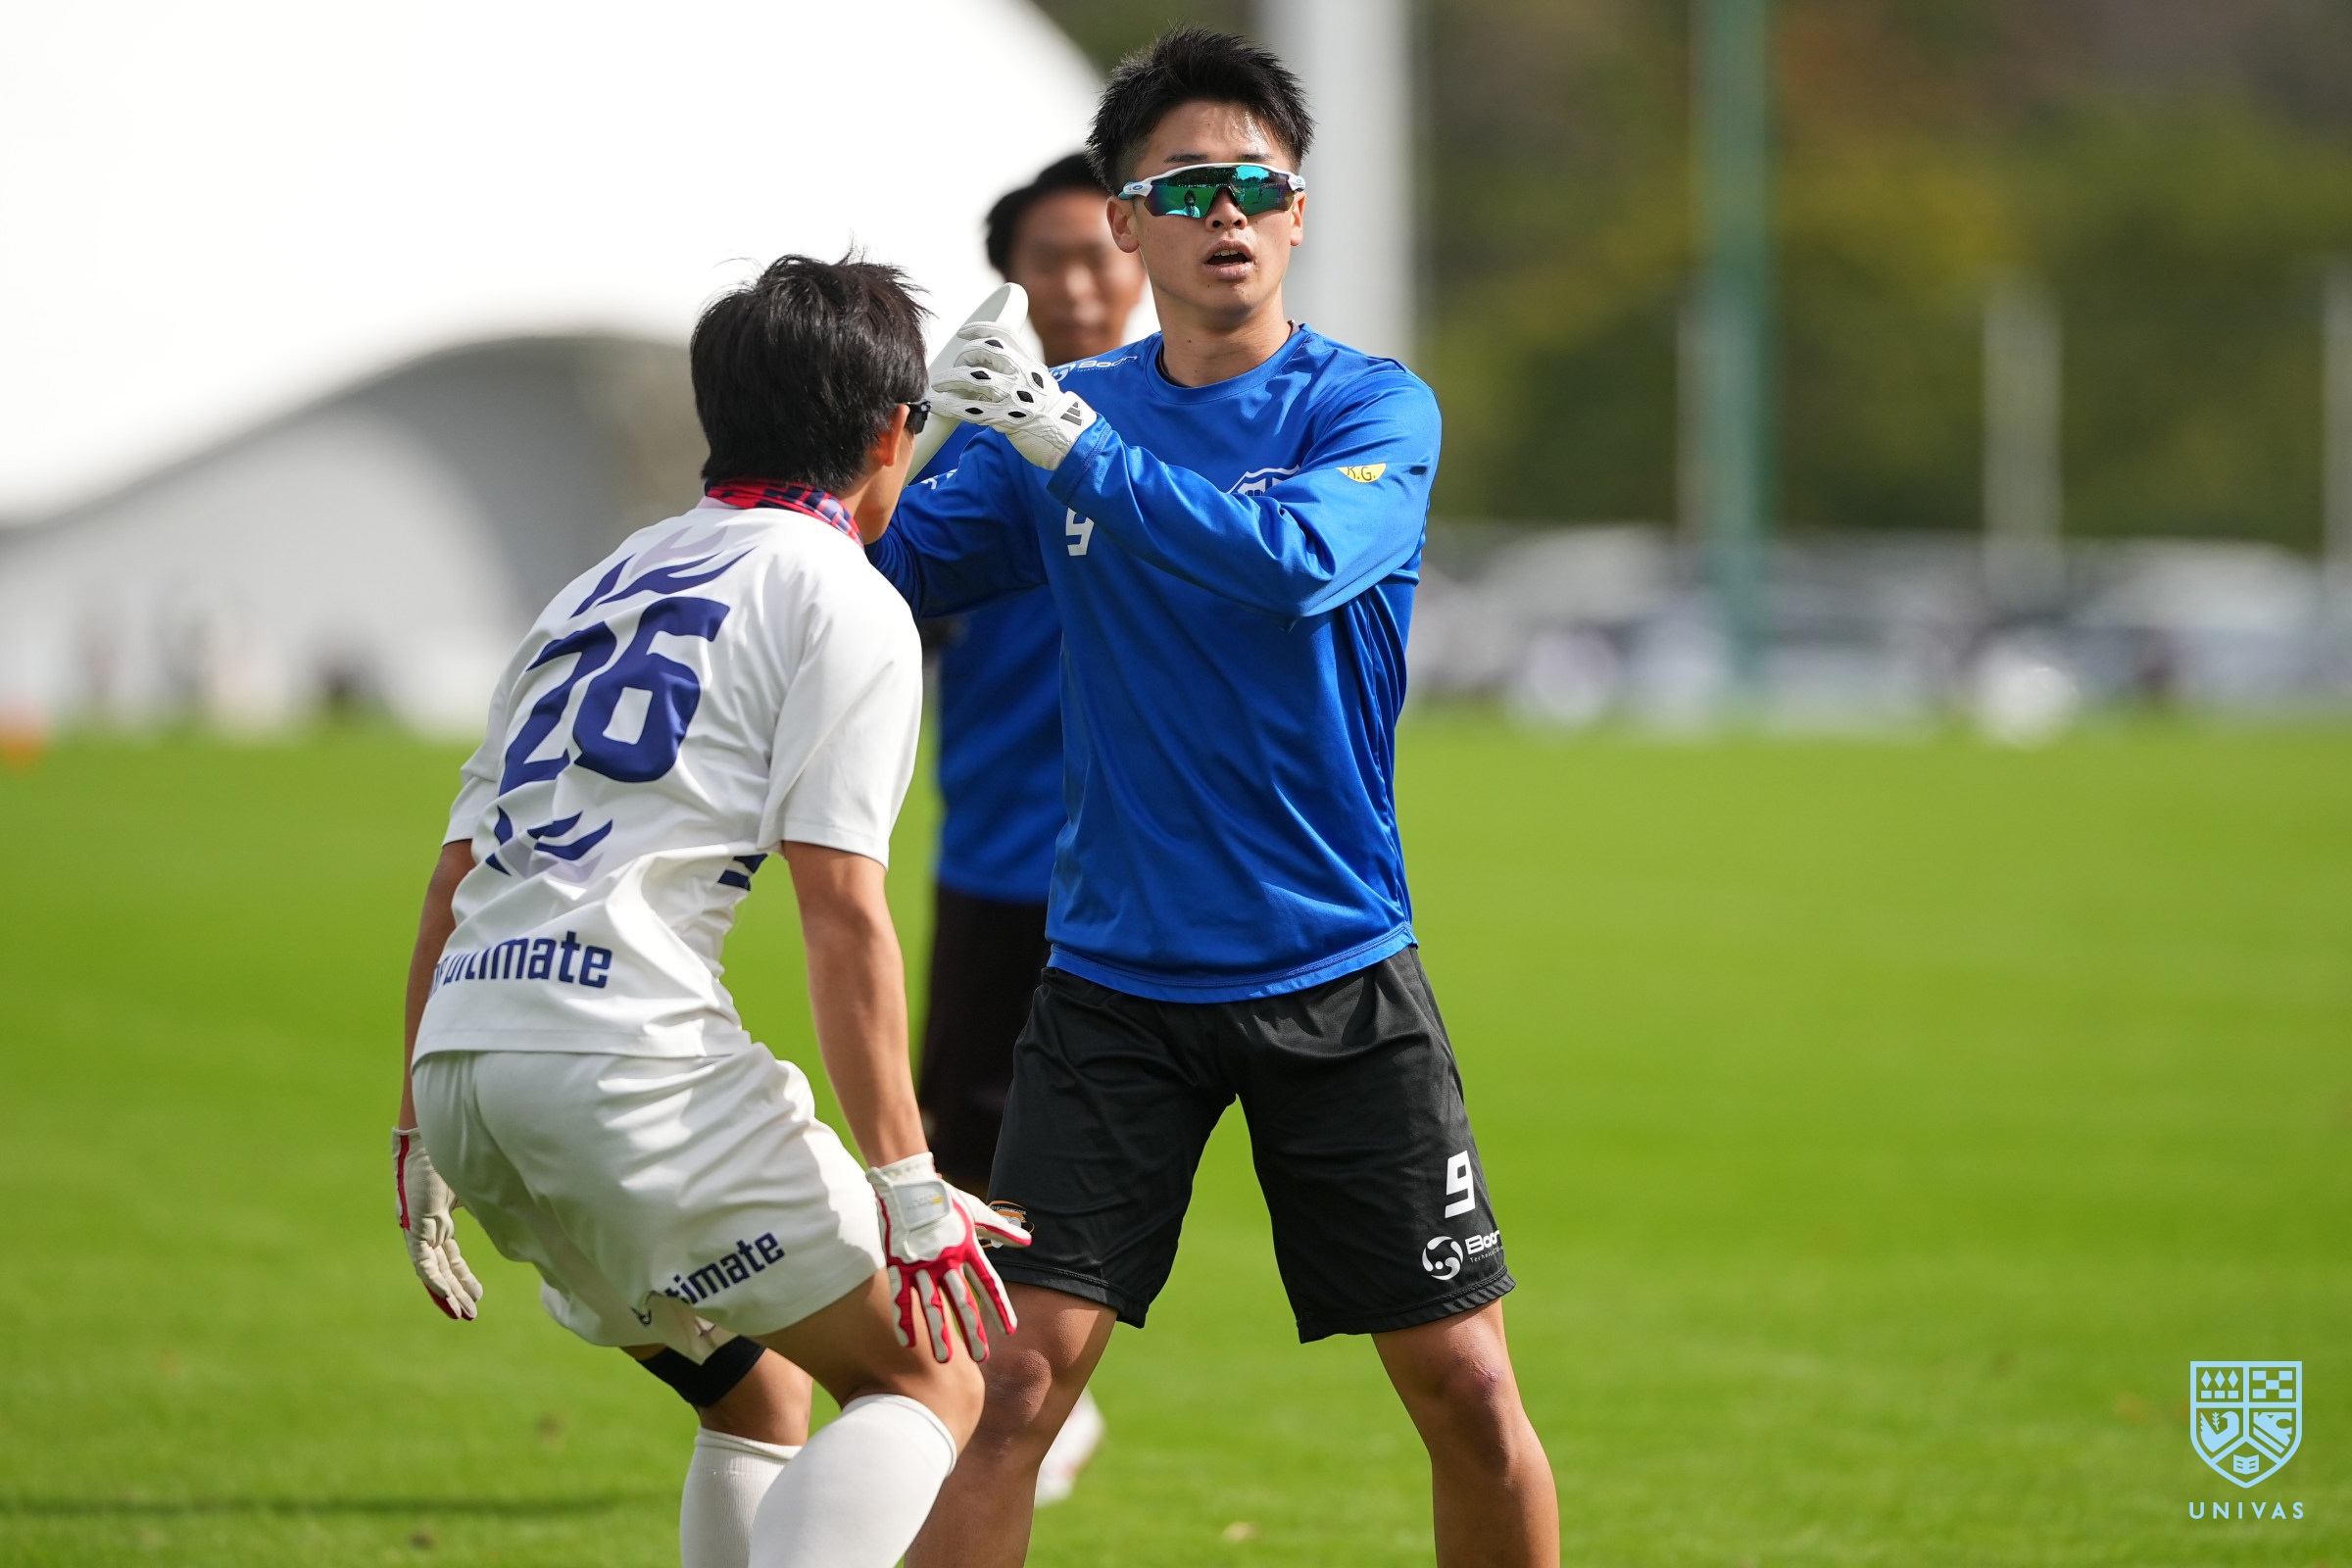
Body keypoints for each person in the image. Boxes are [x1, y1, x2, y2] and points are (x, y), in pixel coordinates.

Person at [870, 27, 1560, 1568]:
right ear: (1129, 224)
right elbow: (883, 574)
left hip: (1336, 971)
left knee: (1466, 1389)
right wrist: (912, 429)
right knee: (1016, 1388)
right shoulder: (1062, 414)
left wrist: (1067, 444)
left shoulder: (1371, 408)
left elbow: (1296, 564)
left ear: (1299, 214)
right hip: (1114, 986)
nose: (1227, 213)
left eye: (1258, 184)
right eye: (1187, 189)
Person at [390, 254, 1028, 1568]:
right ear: (893, 432)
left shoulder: (591, 587)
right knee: (929, 1379)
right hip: (621, 1070)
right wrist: (911, 1189)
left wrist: (417, 1126)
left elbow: (456, 878)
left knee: (757, 1390)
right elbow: (842, 909)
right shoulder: (845, 595)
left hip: (467, 1070)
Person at [910, 151, 1146, 1504]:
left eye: (1098, 252)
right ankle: (993, 1398)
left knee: (1106, 1144)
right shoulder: (970, 448)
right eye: (1047, 259)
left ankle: (1032, 1390)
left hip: (1135, 864)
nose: (1078, 282)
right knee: (958, 1144)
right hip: (996, 848)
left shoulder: (1167, 432)